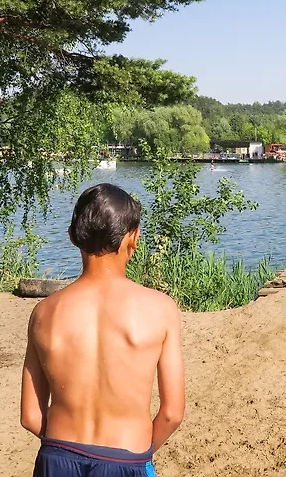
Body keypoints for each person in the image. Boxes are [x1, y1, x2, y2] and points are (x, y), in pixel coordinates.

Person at [21, 183, 185, 477]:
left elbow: (31, 416)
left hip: (57, 455)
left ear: (73, 237)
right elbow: (172, 414)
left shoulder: (44, 312)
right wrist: (140, 453)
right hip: (126, 459)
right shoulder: (160, 309)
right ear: (133, 237)